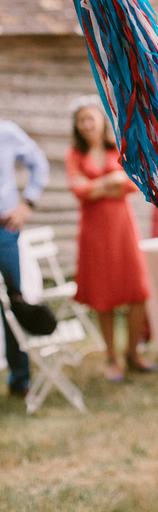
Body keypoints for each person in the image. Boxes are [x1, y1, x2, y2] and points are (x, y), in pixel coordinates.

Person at [65, 99, 155, 382]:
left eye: (91, 118)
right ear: (77, 126)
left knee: (138, 290)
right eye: (82, 121)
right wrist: (110, 181)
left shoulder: (118, 147)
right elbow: (78, 190)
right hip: (94, 231)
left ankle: (132, 353)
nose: (87, 124)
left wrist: (101, 184)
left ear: (102, 121)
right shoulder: (74, 154)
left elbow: (133, 183)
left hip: (123, 228)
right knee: (104, 296)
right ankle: (111, 357)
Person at [0, 120, 49, 396]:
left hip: (4, 230)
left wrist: (28, 202)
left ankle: (20, 379)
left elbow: (39, 163)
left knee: (13, 300)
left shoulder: (6, 132)